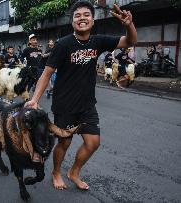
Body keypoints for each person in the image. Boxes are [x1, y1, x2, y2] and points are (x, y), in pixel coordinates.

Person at [25, 1, 137, 190]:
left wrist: (129, 25)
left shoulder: (98, 41)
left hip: (87, 105)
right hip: (64, 105)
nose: (82, 18)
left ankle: (74, 172)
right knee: (64, 143)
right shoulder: (62, 45)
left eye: (86, 15)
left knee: (93, 143)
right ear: (72, 22)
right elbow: (46, 73)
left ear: (93, 21)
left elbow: (130, 41)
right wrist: (35, 99)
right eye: (77, 15)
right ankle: (56, 172)